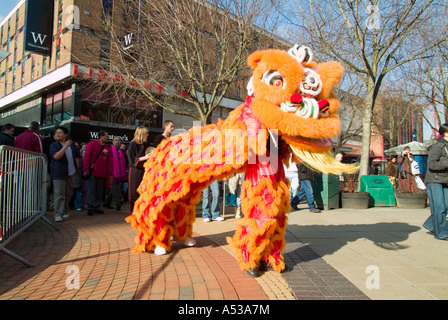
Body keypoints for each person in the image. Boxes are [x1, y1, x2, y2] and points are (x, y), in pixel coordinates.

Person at [49, 127, 80, 222]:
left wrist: (76, 169)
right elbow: (56, 156)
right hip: (59, 172)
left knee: (69, 193)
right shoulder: (54, 145)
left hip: (71, 172)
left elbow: (77, 157)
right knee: (59, 194)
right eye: (56, 133)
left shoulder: (73, 146)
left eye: (60, 133)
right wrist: (65, 146)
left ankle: (65, 211)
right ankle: (58, 213)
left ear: (66, 135)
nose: (58, 134)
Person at [423, 123, 448, 240]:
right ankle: (441, 233)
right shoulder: (438, 146)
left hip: (445, 180)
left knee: (446, 207)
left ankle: (431, 224)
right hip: (435, 180)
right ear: (446, 133)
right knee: (439, 207)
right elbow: (432, 164)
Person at [83, 130, 112, 216]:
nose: (107, 137)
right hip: (93, 171)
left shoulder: (107, 147)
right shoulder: (91, 144)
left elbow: (109, 161)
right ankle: (90, 206)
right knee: (91, 190)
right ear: (101, 136)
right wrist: (85, 170)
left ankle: (97, 206)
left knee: (100, 190)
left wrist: (109, 173)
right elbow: (86, 157)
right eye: (106, 136)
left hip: (102, 173)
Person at [127, 126, 151, 214]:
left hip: (144, 170)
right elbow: (131, 160)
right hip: (135, 171)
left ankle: (141, 212)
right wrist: (144, 158)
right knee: (133, 192)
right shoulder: (132, 144)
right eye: (146, 133)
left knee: (143, 191)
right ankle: (132, 212)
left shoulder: (146, 145)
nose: (148, 135)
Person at [103, 136, 127, 211]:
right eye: (115, 140)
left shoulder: (121, 152)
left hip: (119, 173)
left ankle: (107, 202)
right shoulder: (109, 150)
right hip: (111, 173)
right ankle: (118, 204)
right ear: (113, 142)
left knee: (113, 189)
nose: (117, 142)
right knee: (115, 188)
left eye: (119, 140)